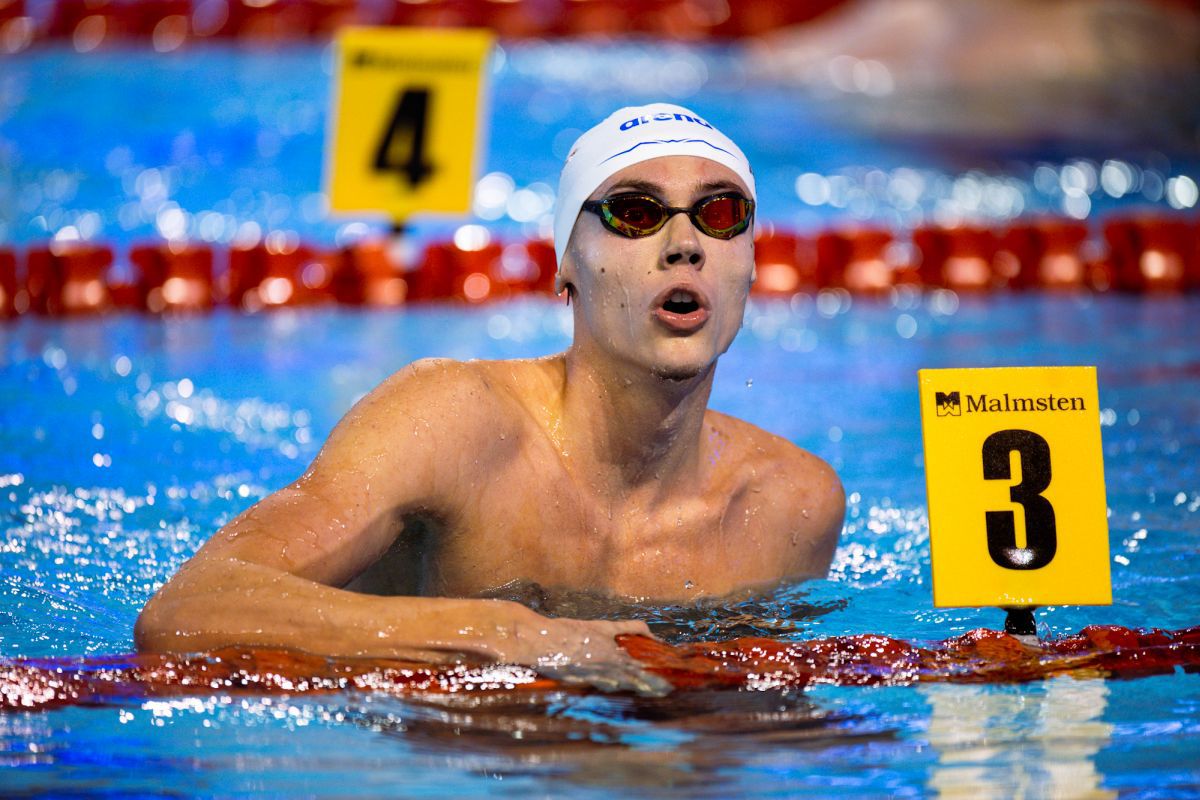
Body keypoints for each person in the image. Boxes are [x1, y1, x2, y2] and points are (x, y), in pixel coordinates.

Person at [135, 103, 845, 691]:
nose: (685, 244)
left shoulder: (788, 507)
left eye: (720, 214)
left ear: (751, 266)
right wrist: (496, 634)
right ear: (565, 265)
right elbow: (190, 610)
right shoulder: (450, 421)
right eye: (636, 212)